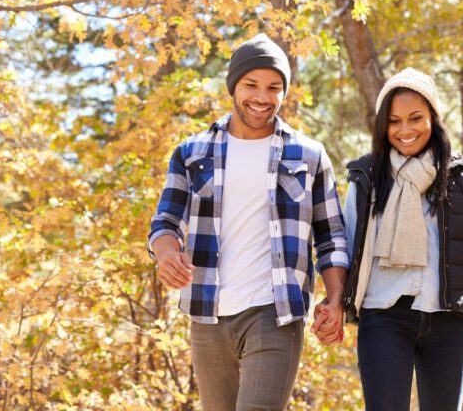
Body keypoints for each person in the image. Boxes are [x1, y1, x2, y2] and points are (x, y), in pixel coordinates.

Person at [317, 67, 463, 410]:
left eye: (415, 118)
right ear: (383, 126)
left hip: (448, 322)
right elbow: (348, 247)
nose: (405, 130)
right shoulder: (367, 177)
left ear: (433, 119)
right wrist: (335, 303)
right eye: (394, 121)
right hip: (384, 317)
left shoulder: (461, 176)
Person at [148, 33, 348, 411]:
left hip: (274, 313)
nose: (262, 97)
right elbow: (165, 222)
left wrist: (335, 300)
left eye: (274, 87)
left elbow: (331, 236)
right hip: (207, 314)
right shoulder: (192, 152)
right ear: (233, 86)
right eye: (251, 85)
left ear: (284, 93)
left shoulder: (309, 155)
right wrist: (166, 254)